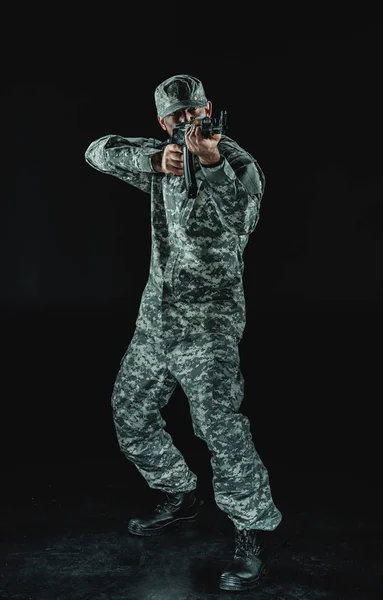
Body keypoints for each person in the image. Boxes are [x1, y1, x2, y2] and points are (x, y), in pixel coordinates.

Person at [85, 73, 282, 592]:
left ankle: (252, 529)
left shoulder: (238, 163)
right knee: (129, 411)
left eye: (193, 111)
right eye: (175, 116)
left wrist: (212, 164)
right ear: (162, 120)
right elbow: (96, 152)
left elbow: (242, 219)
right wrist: (153, 161)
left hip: (209, 327)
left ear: (208, 108)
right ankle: (179, 492)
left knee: (220, 428)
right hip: (157, 321)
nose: (186, 121)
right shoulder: (163, 156)